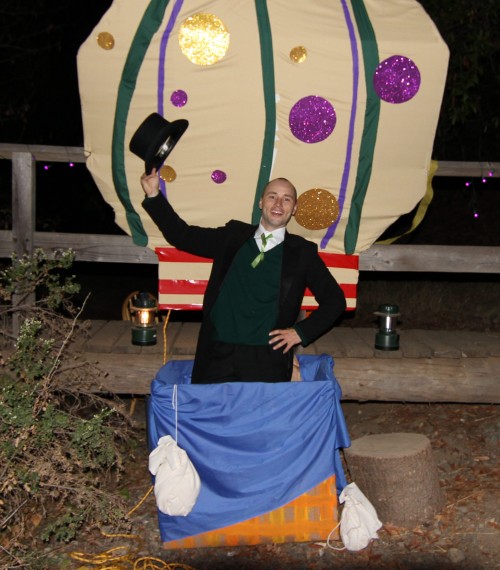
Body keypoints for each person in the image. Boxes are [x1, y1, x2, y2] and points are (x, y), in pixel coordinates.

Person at [141, 172, 346, 383]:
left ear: (293, 209)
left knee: (260, 416)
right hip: (216, 353)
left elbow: (335, 300)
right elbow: (182, 236)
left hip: (267, 358)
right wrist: (154, 196)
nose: (278, 203)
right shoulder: (232, 236)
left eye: (287, 199)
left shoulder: (303, 252)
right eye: (272, 196)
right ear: (261, 202)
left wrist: (300, 333)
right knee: (212, 414)